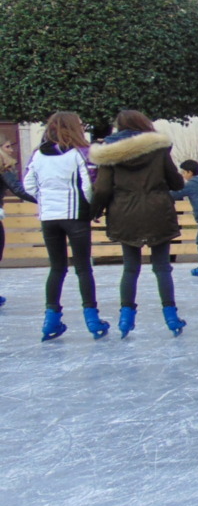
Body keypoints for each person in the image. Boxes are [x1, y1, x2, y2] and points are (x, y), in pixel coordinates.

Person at [89, 110, 187, 337]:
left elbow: (102, 188)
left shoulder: (109, 153)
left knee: (130, 268)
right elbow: (176, 182)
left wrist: (95, 211)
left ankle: (126, 318)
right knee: (162, 267)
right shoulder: (158, 149)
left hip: (125, 214)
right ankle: (171, 317)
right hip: (157, 211)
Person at [21, 113, 106, 339]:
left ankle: (51, 320)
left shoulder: (38, 154)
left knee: (57, 268)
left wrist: (45, 199)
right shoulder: (78, 153)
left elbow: (27, 185)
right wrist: (91, 208)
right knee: (83, 268)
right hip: (75, 216)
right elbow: (88, 186)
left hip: (49, 217)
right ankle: (92, 318)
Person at [1, 138, 38, 310]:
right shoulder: (3, 167)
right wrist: (42, 199)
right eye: (7, 147)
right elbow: (18, 190)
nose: (10, 150)